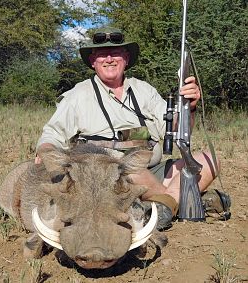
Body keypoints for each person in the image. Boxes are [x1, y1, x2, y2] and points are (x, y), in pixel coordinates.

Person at [35, 27, 228, 229]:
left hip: (154, 169)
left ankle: (161, 206)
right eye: (102, 55)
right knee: (128, 169)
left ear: (126, 58)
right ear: (93, 62)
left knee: (209, 160)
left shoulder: (145, 90)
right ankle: (179, 201)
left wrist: (190, 106)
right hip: (109, 178)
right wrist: (45, 150)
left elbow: (176, 131)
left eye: (116, 53)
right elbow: (51, 134)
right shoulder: (77, 95)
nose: (109, 58)